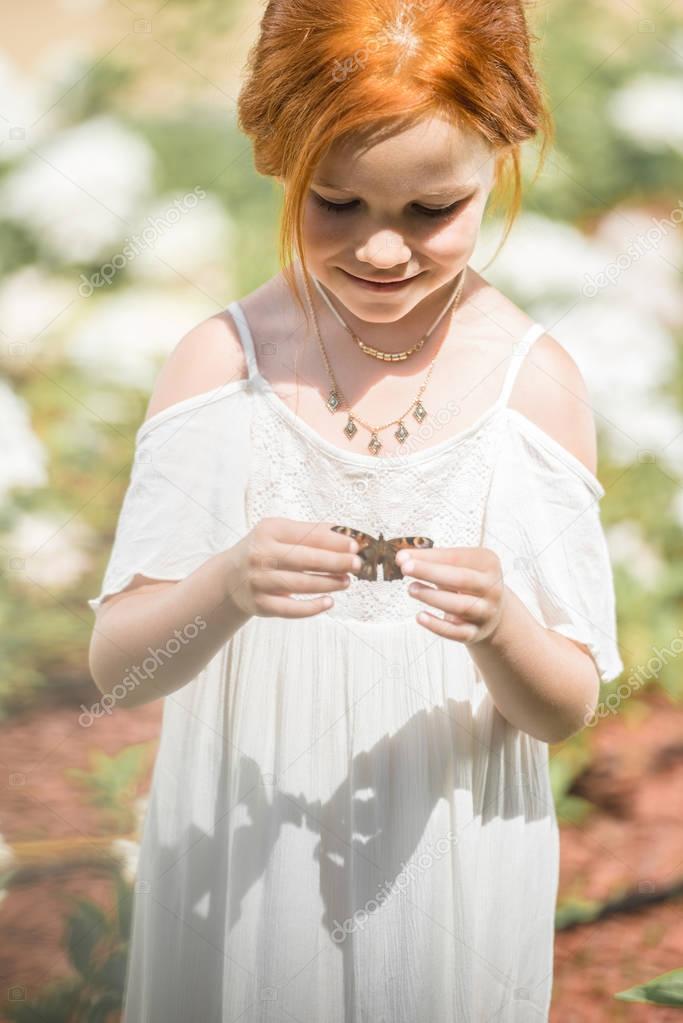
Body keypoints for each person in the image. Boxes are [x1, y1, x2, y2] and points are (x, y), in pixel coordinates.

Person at [88, 1, 623, 1019]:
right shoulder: (224, 366)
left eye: (431, 212)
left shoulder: (531, 387)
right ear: (285, 165)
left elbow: (559, 707)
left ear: (494, 167)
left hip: (448, 862)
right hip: (248, 854)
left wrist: (501, 625)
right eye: (335, 203)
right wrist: (226, 584)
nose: (382, 251)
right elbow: (119, 668)